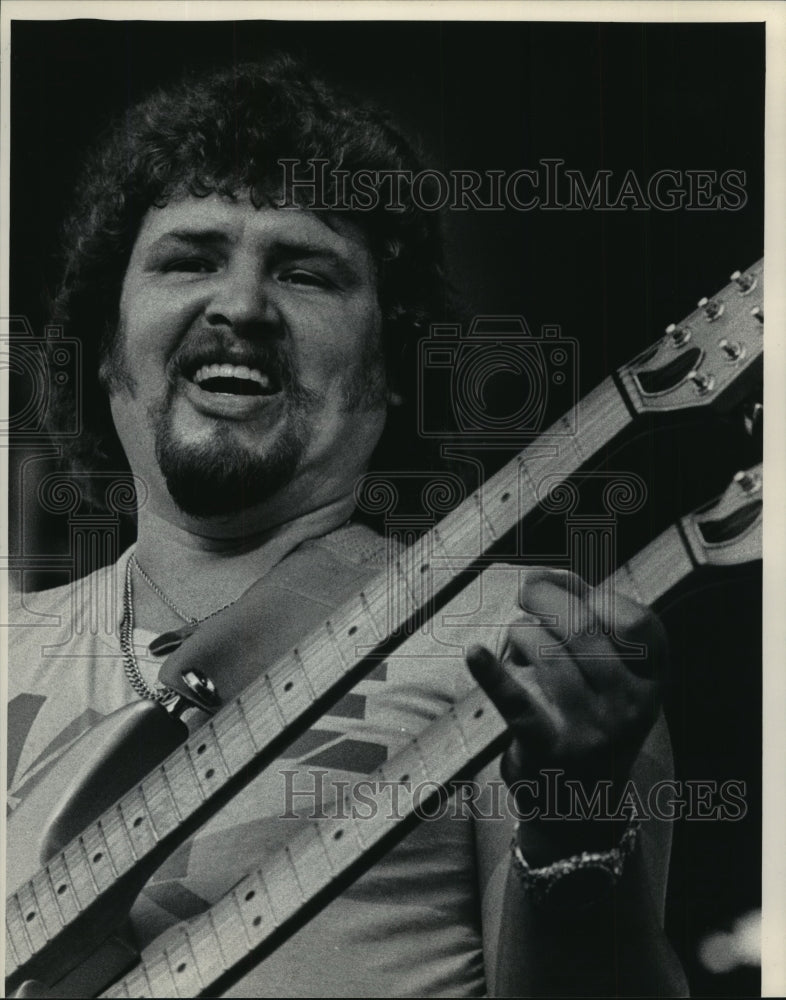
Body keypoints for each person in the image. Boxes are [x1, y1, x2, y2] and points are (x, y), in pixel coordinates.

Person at [6, 57, 688, 997]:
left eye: (305, 272)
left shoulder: (528, 647)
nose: (241, 305)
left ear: (392, 363)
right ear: (107, 339)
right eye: (190, 258)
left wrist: (577, 823)